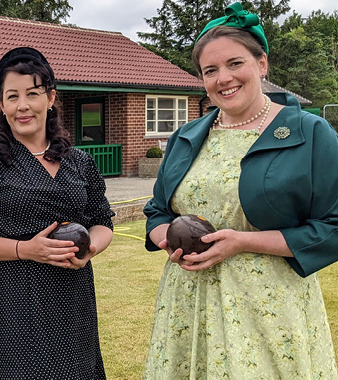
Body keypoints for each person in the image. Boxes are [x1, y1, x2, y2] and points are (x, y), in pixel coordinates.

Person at [143, 3, 338, 378]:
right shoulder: (186, 137)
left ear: (261, 64)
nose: (223, 78)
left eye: (235, 63)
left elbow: (333, 226)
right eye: (210, 70)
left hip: (267, 307)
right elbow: (157, 211)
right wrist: (170, 239)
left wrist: (243, 242)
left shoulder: (310, 133)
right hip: (188, 302)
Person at [0, 47, 115, 380]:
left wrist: (90, 249)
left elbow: (102, 221)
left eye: (32, 94)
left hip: (74, 292)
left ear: (51, 97)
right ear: (1, 104)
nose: (22, 105)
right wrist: (25, 249)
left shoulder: (79, 162)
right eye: (12, 96)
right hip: (14, 296)